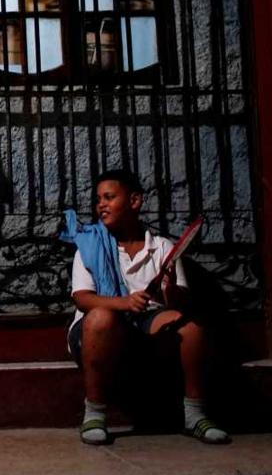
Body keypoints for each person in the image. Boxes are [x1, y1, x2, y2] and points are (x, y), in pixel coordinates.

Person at [61, 169, 230, 445]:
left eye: (109, 197)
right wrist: (125, 302)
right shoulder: (90, 245)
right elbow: (82, 298)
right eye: (98, 199)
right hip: (99, 331)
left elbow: (180, 304)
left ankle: (195, 415)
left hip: (146, 325)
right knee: (101, 317)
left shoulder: (162, 247)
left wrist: (171, 287)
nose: (100, 204)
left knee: (190, 328)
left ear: (134, 201)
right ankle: (94, 413)